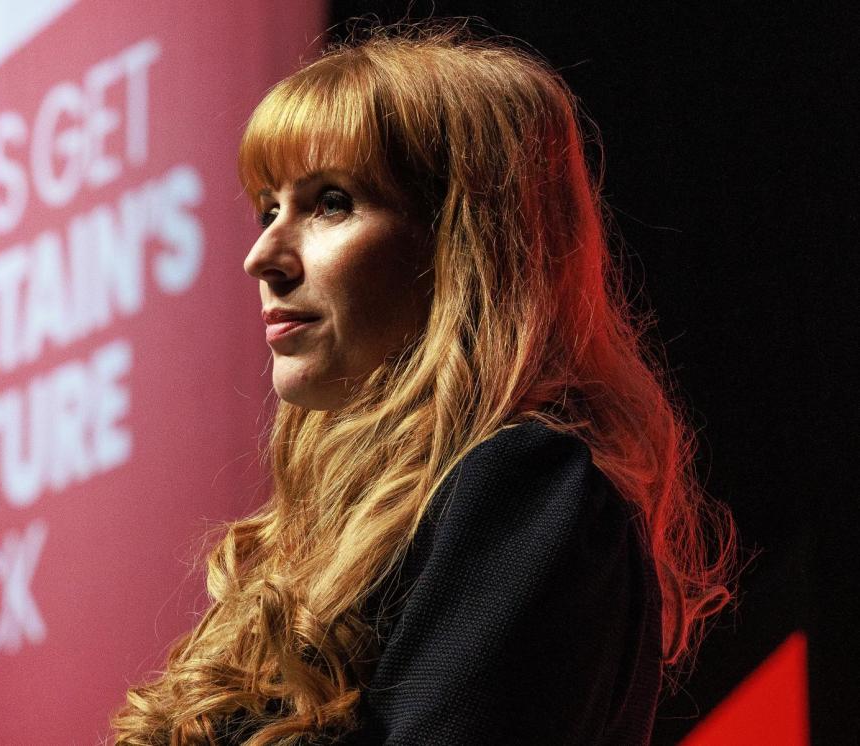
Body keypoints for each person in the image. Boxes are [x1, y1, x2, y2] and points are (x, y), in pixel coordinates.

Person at [112, 23, 736, 745]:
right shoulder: (317, 547)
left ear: (461, 244)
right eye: (268, 208)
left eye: (332, 203)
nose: (263, 256)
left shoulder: (520, 486)